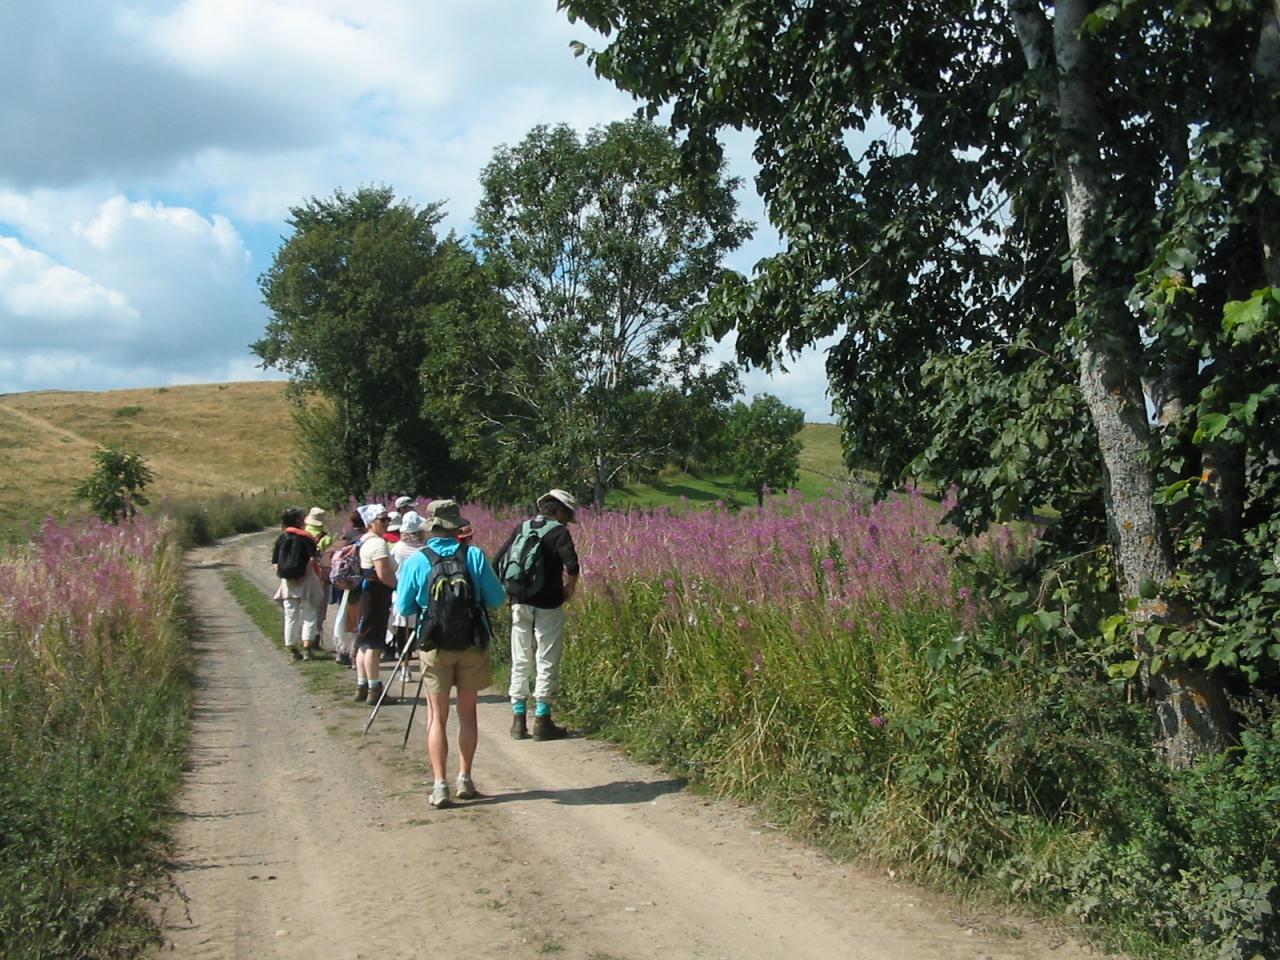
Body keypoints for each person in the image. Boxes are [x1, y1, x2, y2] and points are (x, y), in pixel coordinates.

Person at [395, 499, 505, 809]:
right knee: (467, 714)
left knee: (436, 717)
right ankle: (465, 779)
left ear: (431, 527)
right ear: (456, 526)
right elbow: (497, 599)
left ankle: (440, 785)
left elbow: (404, 608)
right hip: (472, 642)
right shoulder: (473, 555)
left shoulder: (417, 561)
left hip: (434, 644)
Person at [496, 489, 581, 741]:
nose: (568, 519)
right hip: (549, 604)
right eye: (567, 513)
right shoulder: (559, 532)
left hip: (519, 602)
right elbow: (573, 565)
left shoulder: (522, 528)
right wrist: (570, 588)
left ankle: (518, 721)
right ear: (559, 510)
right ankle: (543, 720)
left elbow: (498, 561)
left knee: (520, 658)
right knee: (546, 657)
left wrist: (509, 591)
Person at [354, 503, 398, 705]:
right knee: (373, 643)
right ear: (371, 523)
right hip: (377, 595)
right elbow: (384, 574)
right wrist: (398, 587)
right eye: (383, 520)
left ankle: (362, 685)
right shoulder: (378, 544)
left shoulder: (363, 541)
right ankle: (373, 688)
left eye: (387, 519)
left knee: (364, 642)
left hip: (366, 594)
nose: (387, 522)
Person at [270, 506, 324, 661]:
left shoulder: (281, 538)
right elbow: (312, 559)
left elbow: (275, 562)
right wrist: (303, 575)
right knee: (309, 613)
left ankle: (292, 649)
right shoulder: (306, 537)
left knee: (290, 615)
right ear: (299, 520)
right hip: (307, 580)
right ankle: (307, 648)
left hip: (288, 582)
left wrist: (286, 575)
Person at [386, 510, 426, 662]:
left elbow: (391, 568)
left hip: (401, 592)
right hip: (422, 594)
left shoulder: (397, 548)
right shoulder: (425, 550)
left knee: (403, 631)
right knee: (421, 631)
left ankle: (405, 666)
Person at [305, 507, 334, 648]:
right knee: (320, 606)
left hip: (305, 574)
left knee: (305, 605)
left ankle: (305, 635)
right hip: (321, 575)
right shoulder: (327, 539)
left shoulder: (303, 534)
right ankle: (317, 632)